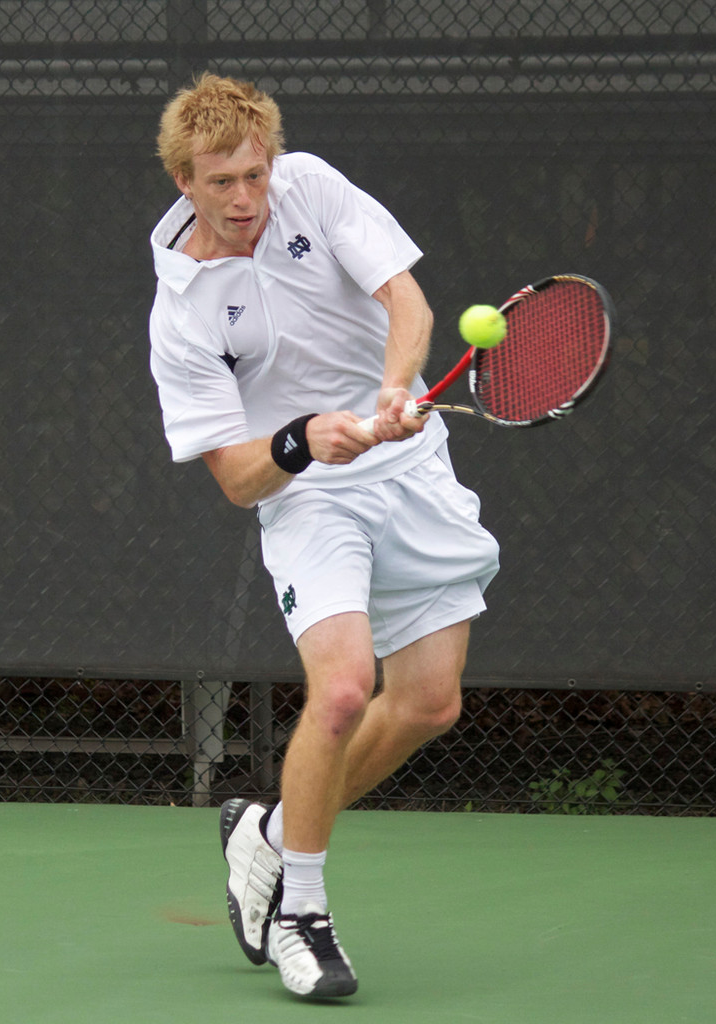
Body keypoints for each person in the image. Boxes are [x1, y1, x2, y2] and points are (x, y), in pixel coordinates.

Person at [149, 72, 500, 999]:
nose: (245, 199)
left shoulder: (310, 185)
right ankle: (299, 912)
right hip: (309, 499)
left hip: (411, 471)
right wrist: (302, 440)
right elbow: (238, 479)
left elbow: (407, 305)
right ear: (184, 180)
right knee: (342, 690)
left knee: (427, 704)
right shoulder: (179, 312)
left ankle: (268, 833)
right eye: (221, 182)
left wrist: (391, 389)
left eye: (254, 175)